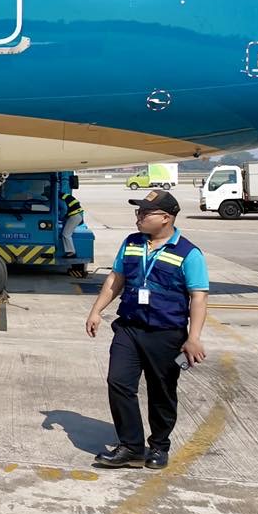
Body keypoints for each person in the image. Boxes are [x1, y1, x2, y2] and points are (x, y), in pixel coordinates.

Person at [83, 190, 209, 470]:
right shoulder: (131, 243)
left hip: (166, 333)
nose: (138, 217)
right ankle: (131, 447)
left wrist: (193, 338)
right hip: (129, 327)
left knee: (161, 390)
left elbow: (199, 297)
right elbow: (116, 278)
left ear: (165, 218)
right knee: (118, 382)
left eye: (144, 213)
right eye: (138, 212)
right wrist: (96, 310)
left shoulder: (188, 253)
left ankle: (159, 446)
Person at [60, 187, 84, 258]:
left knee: (66, 234)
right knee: (66, 233)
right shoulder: (64, 196)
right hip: (77, 215)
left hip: (74, 216)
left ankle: (71, 252)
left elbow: (64, 209)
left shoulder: (59, 198)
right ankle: (70, 252)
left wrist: (61, 218)